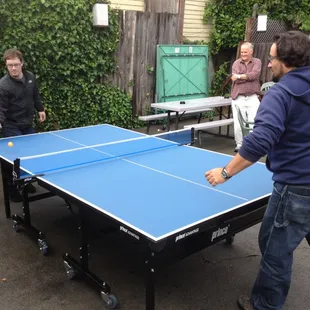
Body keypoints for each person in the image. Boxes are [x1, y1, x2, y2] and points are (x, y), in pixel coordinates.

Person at [205, 31, 310, 310]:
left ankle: (264, 305)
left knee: (275, 249)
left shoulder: (281, 94)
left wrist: (225, 172)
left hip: (296, 187)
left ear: (286, 61)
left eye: (273, 59)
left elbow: (260, 140)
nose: (270, 64)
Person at [0, 48, 46, 202]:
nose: (13, 68)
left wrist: (40, 109)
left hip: (27, 123)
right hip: (11, 125)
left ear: (22, 63)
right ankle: (11, 189)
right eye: (9, 65)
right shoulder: (4, 85)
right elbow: (1, 108)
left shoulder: (30, 77)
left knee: (30, 153)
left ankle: (24, 182)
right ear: (6, 66)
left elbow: (35, 95)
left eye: (16, 64)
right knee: (13, 159)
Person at [231, 42, 262, 152]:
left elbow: (254, 75)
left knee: (254, 121)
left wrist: (240, 76)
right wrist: (246, 77)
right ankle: (239, 144)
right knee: (239, 123)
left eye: (245, 52)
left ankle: (252, 144)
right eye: (242, 51)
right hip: (238, 97)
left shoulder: (257, 62)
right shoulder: (236, 63)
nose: (243, 54)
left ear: (251, 51)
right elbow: (235, 79)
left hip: (253, 97)